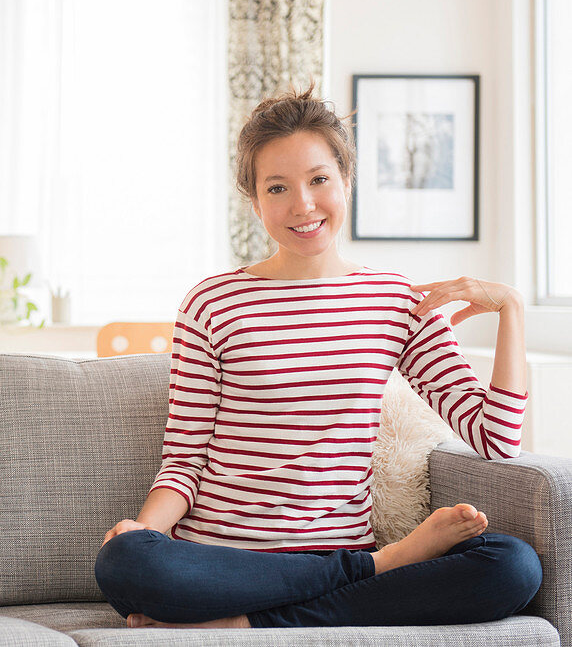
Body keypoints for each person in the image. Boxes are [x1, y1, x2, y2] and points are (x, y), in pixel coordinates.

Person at [93, 84, 543, 630]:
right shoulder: (212, 301)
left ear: (346, 182)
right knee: (124, 562)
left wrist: (512, 309)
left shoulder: (397, 302)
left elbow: (496, 439)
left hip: (327, 548)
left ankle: (245, 623)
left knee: (512, 567)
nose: (302, 205)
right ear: (255, 201)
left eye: (319, 179)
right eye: (277, 187)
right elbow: (184, 461)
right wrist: (144, 533)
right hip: (220, 562)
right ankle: (378, 566)